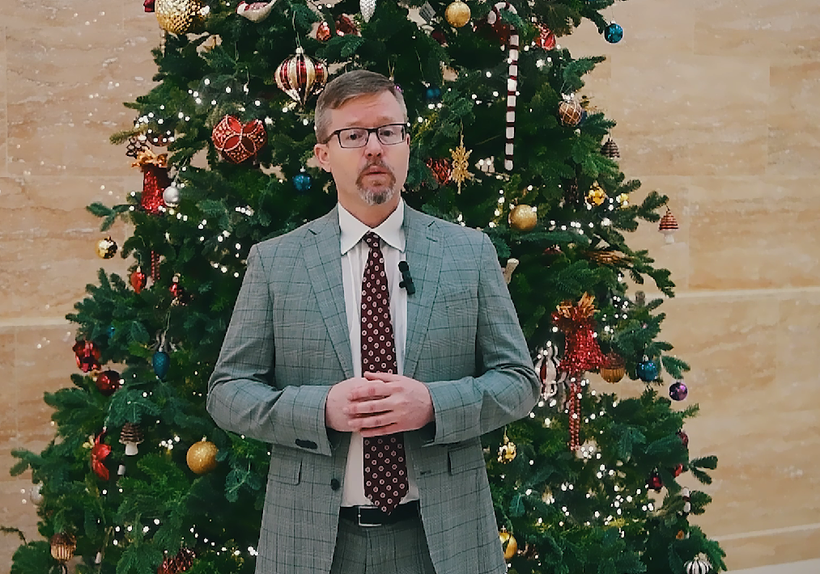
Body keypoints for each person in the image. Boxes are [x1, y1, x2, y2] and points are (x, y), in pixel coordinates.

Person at [207, 69, 540, 574]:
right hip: (311, 544)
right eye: (354, 135)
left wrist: (433, 405)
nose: (374, 149)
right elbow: (227, 392)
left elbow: (519, 382)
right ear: (323, 154)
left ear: (406, 144)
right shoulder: (276, 262)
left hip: (444, 541)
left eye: (388, 132)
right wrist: (320, 409)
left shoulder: (468, 253)